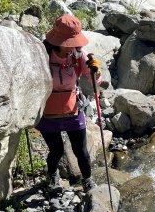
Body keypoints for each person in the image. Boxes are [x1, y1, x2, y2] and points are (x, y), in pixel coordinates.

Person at [36, 14, 106, 192]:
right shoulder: (43, 55)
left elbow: (93, 83)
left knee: (81, 151)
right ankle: (52, 176)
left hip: (73, 107)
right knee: (57, 150)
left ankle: (88, 180)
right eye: (68, 42)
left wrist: (95, 72)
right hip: (48, 111)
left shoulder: (78, 55)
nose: (72, 46)